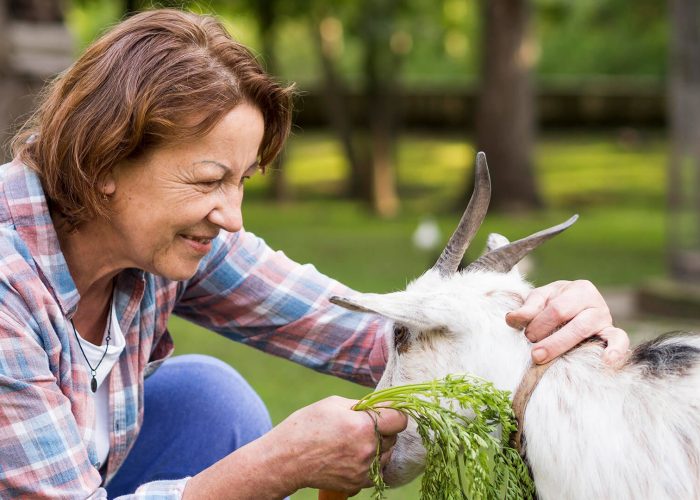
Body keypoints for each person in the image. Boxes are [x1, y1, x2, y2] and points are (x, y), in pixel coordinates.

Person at [0, 8, 628, 499]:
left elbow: (350, 330)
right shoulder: (9, 285)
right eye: (208, 179)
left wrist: (532, 334)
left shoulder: (163, 242)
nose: (232, 216)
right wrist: (276, 466)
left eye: (242, 181)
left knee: (206, 398)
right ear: (106, 160)